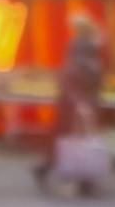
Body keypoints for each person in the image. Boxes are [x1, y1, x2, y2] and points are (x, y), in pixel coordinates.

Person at [36, 14, 105, 188]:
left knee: (68, 140)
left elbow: (73, 80)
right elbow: (72, 81)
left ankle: (47, 169)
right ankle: (83, 177)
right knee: (78, 140)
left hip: (75, 105)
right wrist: (81, 103)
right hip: (77, 106)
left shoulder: (81, 52)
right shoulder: (85, 53)